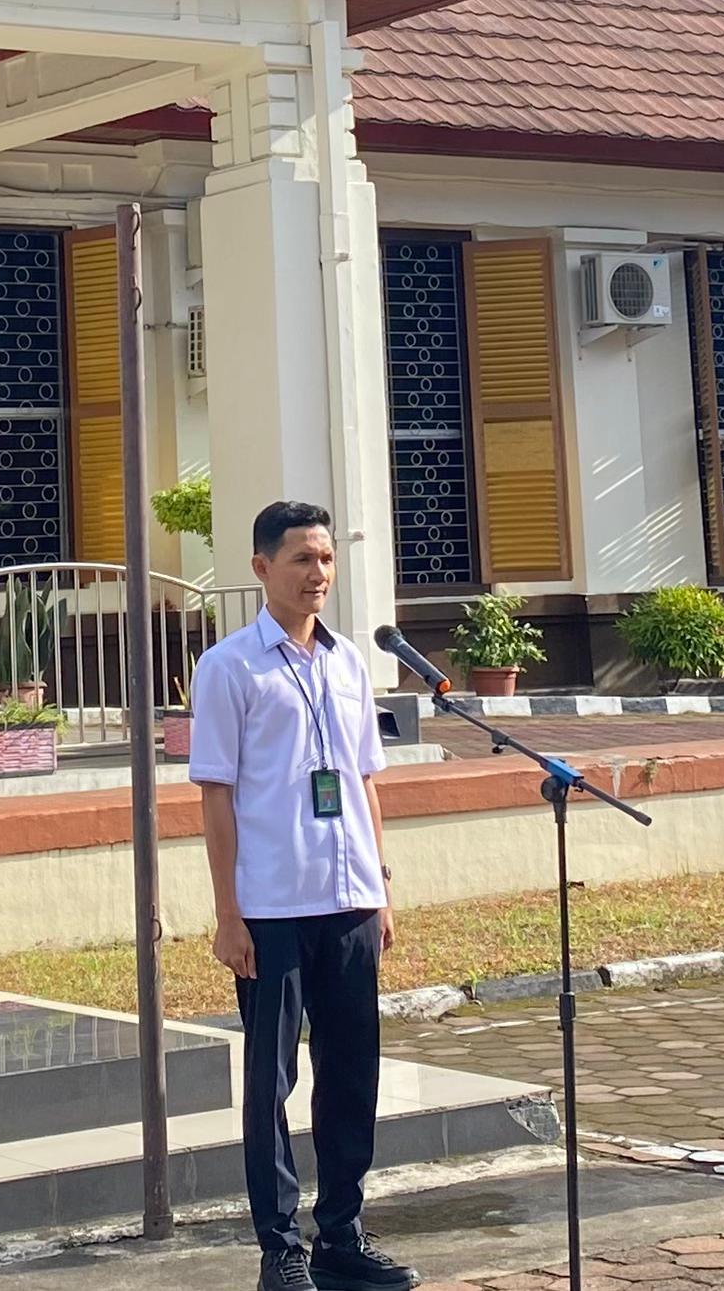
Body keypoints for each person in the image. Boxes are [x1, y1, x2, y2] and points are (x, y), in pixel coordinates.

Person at [190, 501, 418, 1291]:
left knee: (353, 1072)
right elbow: (215, 797)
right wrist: (229, 913)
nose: (318, 573)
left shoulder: (348, 661)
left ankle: (342, 1238)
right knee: (272, 1082)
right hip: (273, 907)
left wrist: (380, 887)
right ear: (261, 568)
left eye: (325, 558)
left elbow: (361, 782)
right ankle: (279, 1249)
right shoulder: (229, 668)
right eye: (301, 559)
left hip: (349, 898)